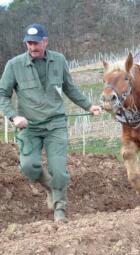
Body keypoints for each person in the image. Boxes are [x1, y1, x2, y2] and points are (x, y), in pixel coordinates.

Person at [0, 23, 102, 222]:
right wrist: (14, 116)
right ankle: (51, 188)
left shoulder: (59, 60)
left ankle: (60, 209)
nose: (32, 47)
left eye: (36, 43)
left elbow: (69, 88)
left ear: (45, 42)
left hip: (55, 124)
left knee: (59, 170)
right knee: (29, 166)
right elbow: (3, 94)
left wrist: (89, 106)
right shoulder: (14, 65)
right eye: (28, 43)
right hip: (29, 126)